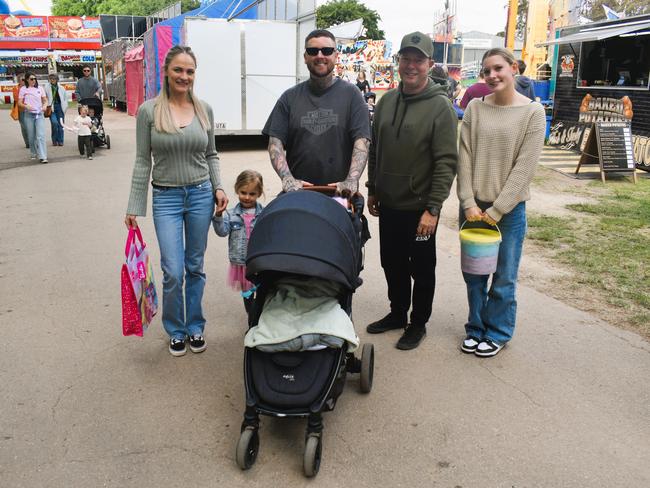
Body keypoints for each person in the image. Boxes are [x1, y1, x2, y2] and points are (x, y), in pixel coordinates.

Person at [125, 45, 228, 357]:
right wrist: (134, 205)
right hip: (166, 198)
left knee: (195, 266)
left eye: (190, 71)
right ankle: (175, 329)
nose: (184, 76)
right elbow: (143, 160)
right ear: (167, 73)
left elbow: (211, 154)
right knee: (173, 270)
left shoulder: (204, 110)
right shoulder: (148, 111)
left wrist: (219, 187)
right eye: (178, 70)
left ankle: (195, 326)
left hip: (200, 195)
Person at [365, 31, 458, 350]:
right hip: (389, 203)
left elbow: (447, 161)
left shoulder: (440, 107)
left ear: (430, 64)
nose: (411, 65)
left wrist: (433, 209)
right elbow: (375, 148)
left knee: (421, 268)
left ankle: (418, 323)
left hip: (420, 209)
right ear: (399, 61)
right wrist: (373, 187)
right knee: (391, 262)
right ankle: (396, 313)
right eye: (406, 58)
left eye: (418, 59)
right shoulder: (387, 101)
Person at [456, 48, 545, 357]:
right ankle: (475, 328)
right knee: (474, 275)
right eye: (486, 71)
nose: (492, 75)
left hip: (507, 212)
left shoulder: (533, 113)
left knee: (504, 277)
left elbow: (525, 167)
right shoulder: (475, 109)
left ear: (513, 68)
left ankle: (498, 332)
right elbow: (464, 155)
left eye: (498, 68)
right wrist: (468, 201)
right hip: (472, 207)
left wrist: (497, 209)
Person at [263, 29, 370, 195]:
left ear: (336, 56)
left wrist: (351, 180)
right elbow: (275, 143)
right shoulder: (289, 98)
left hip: (339, 194)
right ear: (305, 57)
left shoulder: (352, 95)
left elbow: (361, 142)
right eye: (313, 51)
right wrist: (287, 178)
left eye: (327, 51)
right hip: (299, 194)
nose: (320, 55)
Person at [212, 170, 264, 315]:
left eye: (252, 194)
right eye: (243, 192)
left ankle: (260, 318)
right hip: (241, 263)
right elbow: (222, 232)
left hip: (259, 261)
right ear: (237, 190)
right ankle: (251, 321)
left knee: (261, 291)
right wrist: (218, 215)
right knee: (247, 295)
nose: (247, 197)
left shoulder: (264, 213)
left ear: (259, 193)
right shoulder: (231, 214)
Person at [17, 72, 48, 164]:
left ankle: (43, 156)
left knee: (40, 135)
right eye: (31, 79)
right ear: (27, 80)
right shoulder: (23, 89)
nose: (33, 80)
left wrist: (45, 105)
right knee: (31, 136)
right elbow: (19, 103)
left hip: (39, 114)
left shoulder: (40, 88)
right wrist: (26, 106)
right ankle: (33, 152)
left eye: (35, 78)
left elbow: (45, 100)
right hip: (28, 115)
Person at [44, 73, 68, 146]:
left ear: (57, 79)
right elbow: (44, 97)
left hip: (60, 107)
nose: (52, 80)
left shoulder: (61, 88)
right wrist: (46, 105)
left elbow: (65, 98)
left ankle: (60, 140)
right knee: (54, 123)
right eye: (51, 79)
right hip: (51, 107)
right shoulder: (47, 87)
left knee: (61, 124)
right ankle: (54, 139)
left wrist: (65, 106)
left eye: (54, 79)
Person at [11, 73, 30, 148]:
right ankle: (27, 142)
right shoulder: (16, 88)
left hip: (29, 109)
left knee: (31, 126)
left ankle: (32, 141)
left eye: (25, 79)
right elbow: (16, 98)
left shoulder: (29, 87)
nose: (24, 81)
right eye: (22, 79)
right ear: (19, 81)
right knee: (24, 127)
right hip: (21, 109)